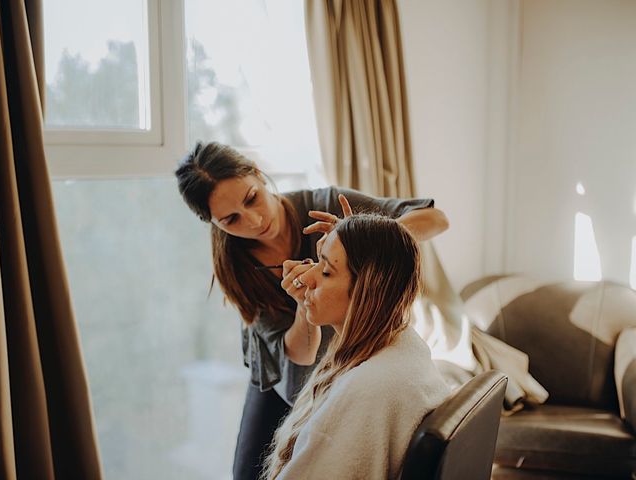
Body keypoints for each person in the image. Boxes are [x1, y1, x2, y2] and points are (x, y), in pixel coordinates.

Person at [175, 141, 449, 480]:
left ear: (258, 175)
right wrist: (304, 307)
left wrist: (364, 242)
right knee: (248, 472)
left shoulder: (323, 204)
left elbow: (436, 220)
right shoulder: (237, 267)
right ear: (214, 223)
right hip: (285, 364)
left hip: (345, 355)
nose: (255, 220)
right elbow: (299, 357)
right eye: (232, 219)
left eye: (252, 199)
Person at [263, 214, 451, 479]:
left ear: (368, 290)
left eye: (327, 271)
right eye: (318, 261)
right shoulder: (402, 347)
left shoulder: (366, 389)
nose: (307, 278)